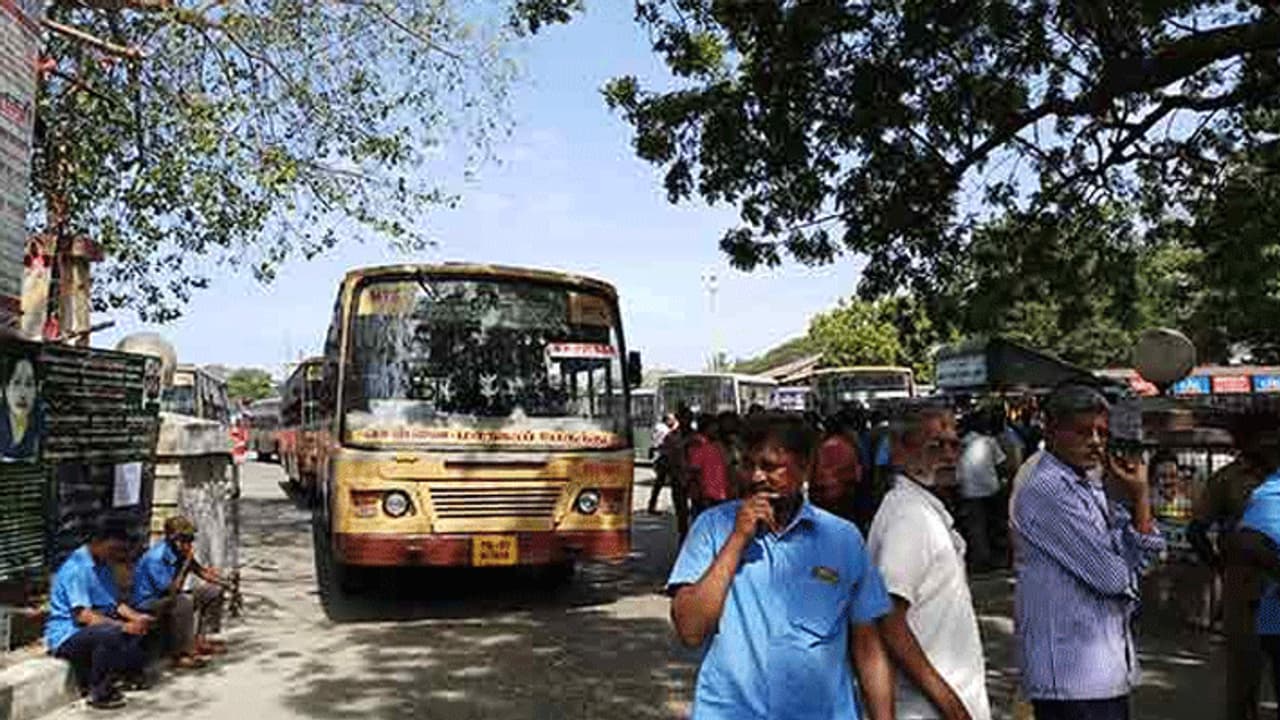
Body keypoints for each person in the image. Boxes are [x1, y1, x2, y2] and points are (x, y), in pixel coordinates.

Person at [666, 412, 894, 720]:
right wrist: (737, 540)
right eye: (747, 465)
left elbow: (868, 648)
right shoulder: (712, 528)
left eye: (770, 467)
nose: (756, 477)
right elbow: (690, 631)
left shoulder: (843, 539)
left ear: (804, 467)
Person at [1011, 384, 1163, 720]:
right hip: (1071, 679)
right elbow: (1113, 578)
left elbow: (1149, 556)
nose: (1095, 441)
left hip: (1103, 670)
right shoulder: (1048, 489)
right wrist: (1127, 560)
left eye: (1102, 433)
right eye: (1083, 432)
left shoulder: (1090, 485)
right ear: (1051, 431)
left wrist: (1139, 497)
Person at [869, 404, 991, 720]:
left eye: (955, 445)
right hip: (928, 709)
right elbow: (888, 619)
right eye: (936, 445)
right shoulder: (910, 517)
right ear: (899, 451)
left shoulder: (922, 508)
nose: (949, 455)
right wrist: (949, 704)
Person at [1189, 411, 1280, 720]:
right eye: (1265, 437)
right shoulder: (1228, 479)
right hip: (1246, 593)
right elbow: (1196, 530)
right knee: (1244, 676)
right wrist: (1220, 567)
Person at [45, 524, 152, 710]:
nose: (116, 554)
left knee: (140, 624)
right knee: (111, 632)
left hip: (89, 629)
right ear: (96, 542)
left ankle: (129, 675)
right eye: (113, 549)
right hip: (67, 636)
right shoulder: (76, 569)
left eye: (119, 550)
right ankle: (98, 692)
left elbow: (115, 603)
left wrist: (137, 618)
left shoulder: (103, 566)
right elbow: (83, 616)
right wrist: (123, 626)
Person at [132, 516, 227, 668]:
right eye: (184, 540)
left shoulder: (181, 551)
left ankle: (200, 639)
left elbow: (200, 571)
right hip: (150, 601)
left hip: (170, 596)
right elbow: (171, 590)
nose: (188, 544)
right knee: (184, 602)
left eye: (190, 539)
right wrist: (186, 563)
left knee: (212, 591)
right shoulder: (156, 558)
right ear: (172, 539)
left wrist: (224, 582)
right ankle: (180, 653)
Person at [957, 411, 1007, 573]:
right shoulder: (988, 442)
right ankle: (994, 557)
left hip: (969, 491)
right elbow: (1001, 464)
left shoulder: (960, 444)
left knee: (976, 526)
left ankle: (980, 558)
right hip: (990, 488)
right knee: (993, 523)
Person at [811, 409, 866, 530]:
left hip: (832, 494)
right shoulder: (849, 442)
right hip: (848, 490)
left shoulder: (830, 446)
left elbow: (823, 473)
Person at [686, 414, 731, 516]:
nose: (716, 429)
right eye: (713, 427)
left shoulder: (715, 444)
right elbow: (694, 469)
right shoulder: (698, 444)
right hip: (706, 495)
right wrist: (699, 493)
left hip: (719, 492)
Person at [662, 406, 695, 539]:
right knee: (681, 512)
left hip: (695, 480)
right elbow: (667, 458)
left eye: (689, 418)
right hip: (678, 478)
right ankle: (684, 535)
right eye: (683, 417)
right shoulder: (671, 437)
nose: (686, 420)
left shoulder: (697, 437)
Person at [0, 356, 40, 461]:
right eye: (16, 382)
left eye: (29, 384)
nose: (23, 394)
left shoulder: (39, 421)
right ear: (6, 388)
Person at [647, 413, 679, 515]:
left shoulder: (658, 427)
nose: (674, 422)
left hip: (661, 457)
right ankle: (675, 507)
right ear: (668, 420)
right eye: (672, 420)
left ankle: (652, 505)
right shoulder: (663, 429)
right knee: (672, 482)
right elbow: (668, 438)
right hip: (664, 457)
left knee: (659, 483)